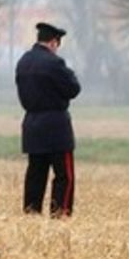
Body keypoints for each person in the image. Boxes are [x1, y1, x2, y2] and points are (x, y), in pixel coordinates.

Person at [16, 22, 81, 217]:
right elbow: (73, 89)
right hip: (56, 125)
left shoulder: (23, 62)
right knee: (63, 175)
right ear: (54, 42)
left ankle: (31, 213)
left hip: (31, 123)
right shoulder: (55, 63)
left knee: (36, 173)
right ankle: (60, 214)